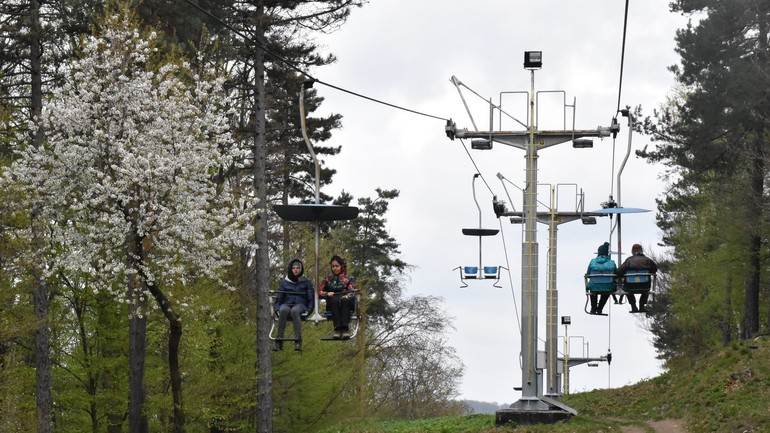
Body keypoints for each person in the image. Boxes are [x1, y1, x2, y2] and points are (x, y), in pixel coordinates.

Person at [274, 258, 314, 351]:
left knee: (294, 311)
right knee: (283, 310)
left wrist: (309, 310)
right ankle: (279, 341)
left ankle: (298, 340)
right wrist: (277, 309)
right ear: (291, 269)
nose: (295, 270)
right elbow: (279, 298)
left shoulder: (306, 282)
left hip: (300, 305)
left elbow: (310, 298)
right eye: (294, 268)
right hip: (287, 303)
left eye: (297, 268)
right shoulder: (285, 283)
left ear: (301, 269)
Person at [319, 255, 356, 339]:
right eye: (333, 266)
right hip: (333, 302)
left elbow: (353, 291)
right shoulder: (328, 279)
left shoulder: (348, 279)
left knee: (344, 300)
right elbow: (318, 292)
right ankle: (337, 328)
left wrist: (347, 295)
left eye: (337, 266)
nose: (335, 268)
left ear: (342, 266)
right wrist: (326, 294)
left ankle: (345, 328)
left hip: (345, 302)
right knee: (334, 300)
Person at [617, 243, 658, 313]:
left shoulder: (628, 261)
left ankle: (633, 306)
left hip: (630, 286)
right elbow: (654, 269)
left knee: (628, 290)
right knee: (646, 291)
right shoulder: (648, 260)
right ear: (641, 251)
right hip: (644, 286)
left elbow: (619, 272)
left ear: (632, 251)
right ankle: (642, 306)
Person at [585, 241, 617, 315]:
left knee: (593, 291)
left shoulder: (592, 262)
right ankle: (600, 309)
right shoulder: (611, 262)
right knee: (606, 292)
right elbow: (616, 273)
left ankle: (593, 308)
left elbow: (588, 272)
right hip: (608, 286)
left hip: (594, 286)